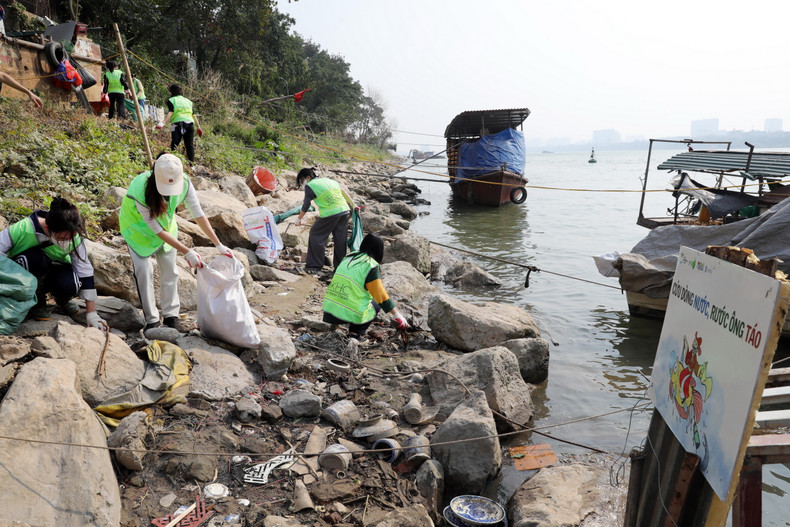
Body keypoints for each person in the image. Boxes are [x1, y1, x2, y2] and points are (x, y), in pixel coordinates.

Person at [119, 153, 231, 332]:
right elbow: (156, 229)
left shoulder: (185, 183)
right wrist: (186, 250)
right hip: (137, 231)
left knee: (170, 271)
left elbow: (198, 213)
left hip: (167, 228)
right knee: (144, 272)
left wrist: (218, 244)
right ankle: (152, 321)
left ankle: (171, 317)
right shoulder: (139, 189)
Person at [0, 198, 107, 329]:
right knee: (36, 259)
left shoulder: (73, 235)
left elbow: (84, 270)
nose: (67, 241)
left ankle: (63, 299)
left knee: (70, 284)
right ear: (47, 228)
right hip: (26, 271)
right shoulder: (24, 228)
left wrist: (92, 313)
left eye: (71, 238)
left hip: (55, 268)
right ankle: (36, 301)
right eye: (62, 238)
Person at [322, 233, 410, 339]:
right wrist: (397, 316)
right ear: (379, 250)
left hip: (329, 310)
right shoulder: (370, 265)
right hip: (345, 313)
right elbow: (380, 295)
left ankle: (335, 326)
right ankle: (355, 334)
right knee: (376, 303)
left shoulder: (349, 257)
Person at [295, 167, 354, 273]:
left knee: (316, 235)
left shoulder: (310, 185)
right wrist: (354, 205)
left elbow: (306, 205)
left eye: (302, 180)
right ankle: (340, 268)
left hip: (330, 213)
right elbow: (343, 192)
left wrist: (299, 218)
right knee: (340, 239)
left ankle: (314, 266)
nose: (303, 183)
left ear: (308, 177)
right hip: (345, 210)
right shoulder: (329, 180)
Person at [156, 84, 202, 162]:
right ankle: (191, 165)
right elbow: (193, 115)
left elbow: (171, 112)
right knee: (189, 145)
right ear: (181, 91)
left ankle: (172, 162)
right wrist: (198, 127)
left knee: (174, 144)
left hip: (177, 125)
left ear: (171, 92)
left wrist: (163, 122)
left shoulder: (171, 100)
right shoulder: (188, 101)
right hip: (189, 124)